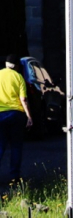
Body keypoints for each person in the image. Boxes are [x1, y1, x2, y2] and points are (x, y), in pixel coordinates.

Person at [0, 53, 32, 184]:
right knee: (16, 147)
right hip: (16, 115)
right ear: (17, 66)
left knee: (0, 146)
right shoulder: (18, 77)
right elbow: (23, 99)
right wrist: (29, 117)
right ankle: (14, 177)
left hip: (0, 114)